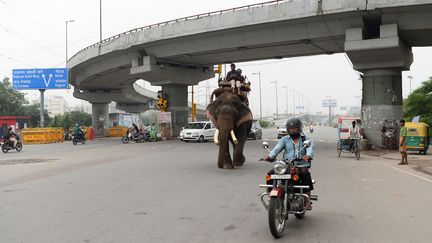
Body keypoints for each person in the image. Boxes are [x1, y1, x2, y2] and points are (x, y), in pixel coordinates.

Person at [264, 118, 315, 210]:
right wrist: (270, 156)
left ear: (299, 128)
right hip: (287, 164)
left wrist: (308, 155)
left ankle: (308, 198)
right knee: (270, 174)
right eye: (290, 129)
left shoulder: (306, 139)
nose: (292, 130)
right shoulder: (284, 139)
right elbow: (277, 149)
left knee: (305, 173)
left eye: (294, 128)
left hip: (301, 164)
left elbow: (310, 149)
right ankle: (272, 198)